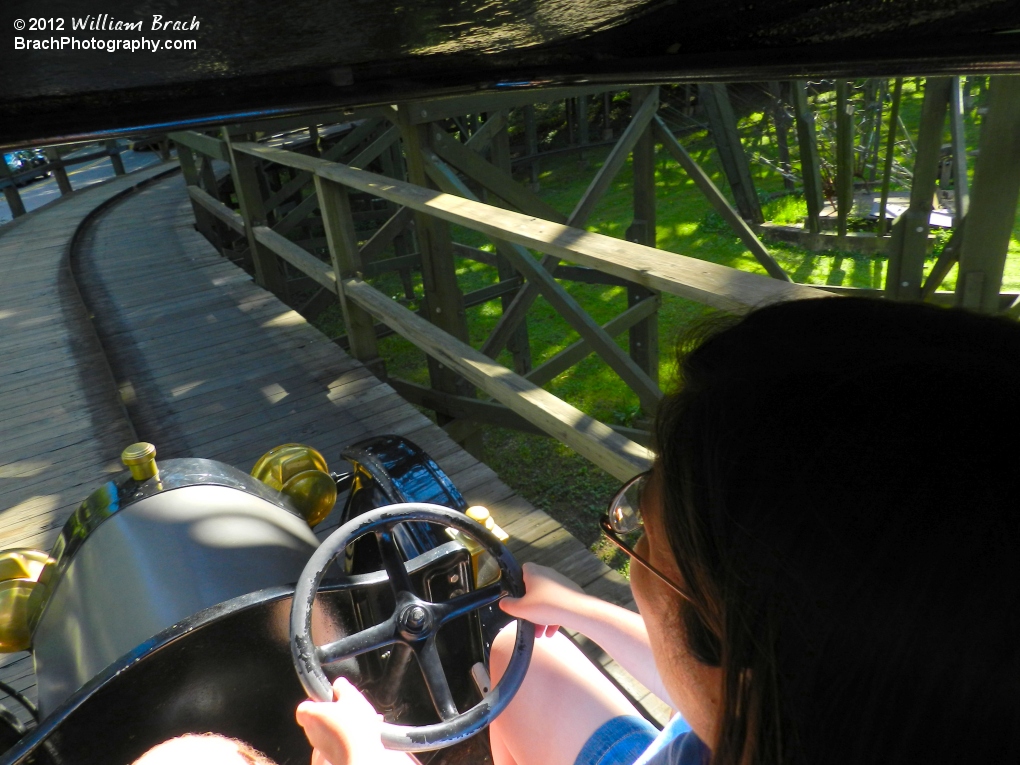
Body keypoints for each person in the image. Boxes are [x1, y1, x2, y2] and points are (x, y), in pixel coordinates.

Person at [297, 297, 1020, 764]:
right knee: (522, 645)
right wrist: (578, 610)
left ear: (737, 658)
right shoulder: (836, 713)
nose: (631, 551)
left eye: (641, 531)